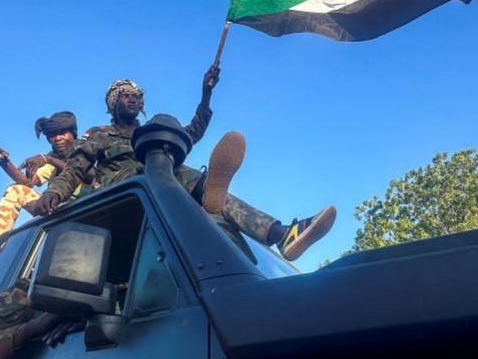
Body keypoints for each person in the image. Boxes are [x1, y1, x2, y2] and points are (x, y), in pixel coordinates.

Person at [33, 77, 335, 261]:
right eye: (126, 95)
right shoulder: (99, 134)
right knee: (175, 171)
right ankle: (211, 192)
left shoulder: (153, 131)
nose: (134, 99)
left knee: (215, 217)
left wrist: (206, 94)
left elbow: (191, 133)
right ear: (113, 105)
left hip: (164, 191)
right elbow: (75, 168)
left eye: (137, 95)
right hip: (124, 195)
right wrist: (55, 194)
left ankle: (278, 239)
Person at [0, 111, 79, 241]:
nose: (57, 138)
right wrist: (4, 162)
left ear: (73, 133)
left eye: (62, 133)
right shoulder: (52, 158)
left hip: (83, 205)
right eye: (53, 135)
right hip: (56, 209)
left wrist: (48, 159)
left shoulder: (85, 149)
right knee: (16, 190)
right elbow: (28, 183)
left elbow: (85, 173)